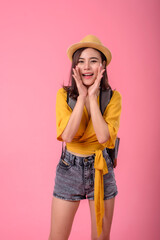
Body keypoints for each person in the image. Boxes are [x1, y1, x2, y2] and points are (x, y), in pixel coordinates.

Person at [48, 35, 122, 240]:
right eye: (81, 61)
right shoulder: (63, 96)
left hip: (101, 169)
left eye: (93, 61)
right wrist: (81, 98)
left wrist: (92, 96)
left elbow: (103, 137)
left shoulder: (113, 98)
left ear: (102, 66)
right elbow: (68, 136)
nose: (86, 67)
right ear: (74, 67)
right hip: (69, 169)